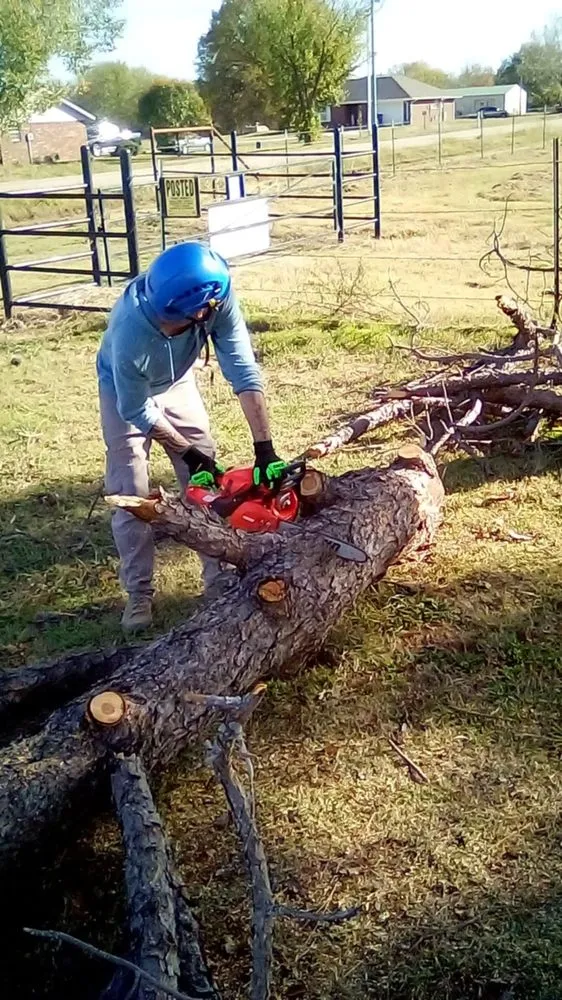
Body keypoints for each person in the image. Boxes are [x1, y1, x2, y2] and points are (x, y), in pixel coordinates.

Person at [97, 241, 284, 632]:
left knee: (206, 482)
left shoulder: (218, 296)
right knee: (131, 490)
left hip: (177, 380)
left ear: (203, 310)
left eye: (172, 322)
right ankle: (139, 593)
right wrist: (185, 451)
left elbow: (242, 369)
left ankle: (217, 576)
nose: (165, 326)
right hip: (124, 391)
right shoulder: (131, 331)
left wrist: (264, 448)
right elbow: (136, 410)